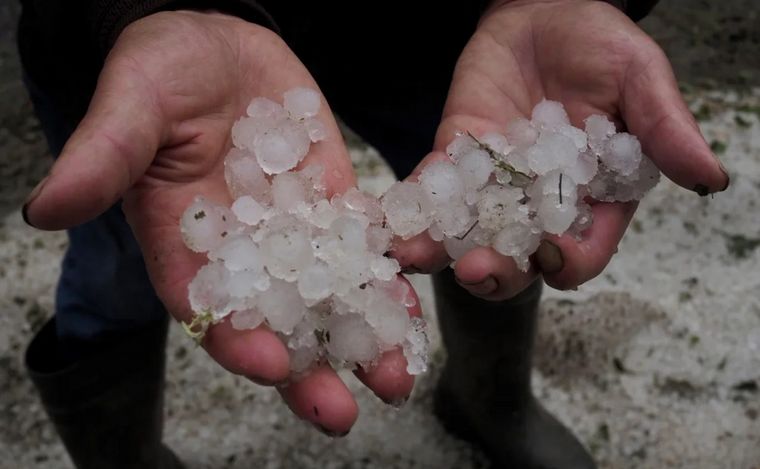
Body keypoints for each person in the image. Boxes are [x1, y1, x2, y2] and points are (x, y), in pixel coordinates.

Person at [17, 1, 728, 468]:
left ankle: (488, 397)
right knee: (119, 257)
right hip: (134, 43)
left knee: (476, 225)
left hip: (438, 30)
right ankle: (123, 457)